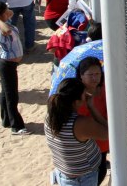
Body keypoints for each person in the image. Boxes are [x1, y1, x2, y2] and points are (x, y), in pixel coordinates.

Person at [0, 1, 30, 135]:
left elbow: (11, 14)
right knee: (11, 95)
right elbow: (7, 30)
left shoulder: (1, 22)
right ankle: (17, 126)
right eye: (5, 10)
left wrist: (1, 14)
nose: (9, 11)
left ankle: (6, 120)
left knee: (6, 93)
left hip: (8, 63)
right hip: (6, 63)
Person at [45, 79, 108, 186]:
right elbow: (107, 133)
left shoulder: (50, 116)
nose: (87, 96)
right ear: (76, 102)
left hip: (63, 173)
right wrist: (91, 106)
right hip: (82, 179)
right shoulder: (80, 123)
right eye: (84, 95)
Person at [74, 57, 109, 185]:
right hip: (85, 145)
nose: (95, 78)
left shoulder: (107, 88)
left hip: (102, 141)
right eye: (90, 75)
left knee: (101, 171)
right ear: (81, 76)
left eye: (98, 74)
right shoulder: (75, 94)